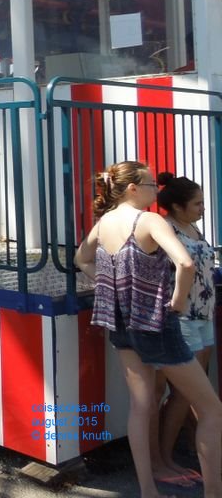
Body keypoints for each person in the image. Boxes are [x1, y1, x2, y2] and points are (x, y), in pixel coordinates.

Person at [74, 160, 222, 498]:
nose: (157, 190)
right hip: (157, 325)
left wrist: (107, 284)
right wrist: (178, 301)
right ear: (133, 188)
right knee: (212, 409)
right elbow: (184, 262)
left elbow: (82, 259)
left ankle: (147, 490)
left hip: (122, 324)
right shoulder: (150, 220)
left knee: (141, 406)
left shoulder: (105, 222)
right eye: (152, 184)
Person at [156, 173, 216, 481]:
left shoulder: (192, 226)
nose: (203, 208)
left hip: (204, 315)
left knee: (197, 391)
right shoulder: (164, 229)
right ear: (177, 207)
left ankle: (198, 448)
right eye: (198, 203)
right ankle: (165, 457)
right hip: (183, 319)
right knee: (182, 393)